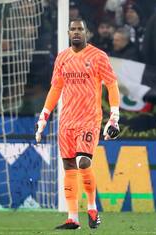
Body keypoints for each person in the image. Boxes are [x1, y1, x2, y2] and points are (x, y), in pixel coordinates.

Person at [34, 18, 120, 230]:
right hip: (66, 121)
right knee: (69, 166)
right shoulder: (62, 58)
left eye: (80, 29)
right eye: (72, 29)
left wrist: (114, 115)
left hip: (89, 119)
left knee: (83, 161)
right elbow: (56, 88)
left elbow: (111, 84)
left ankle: (92, 208)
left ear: (86, 32)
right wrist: (44, 115)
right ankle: (73, 218)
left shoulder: (98, 56)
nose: (76, 32)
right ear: (68, 32)